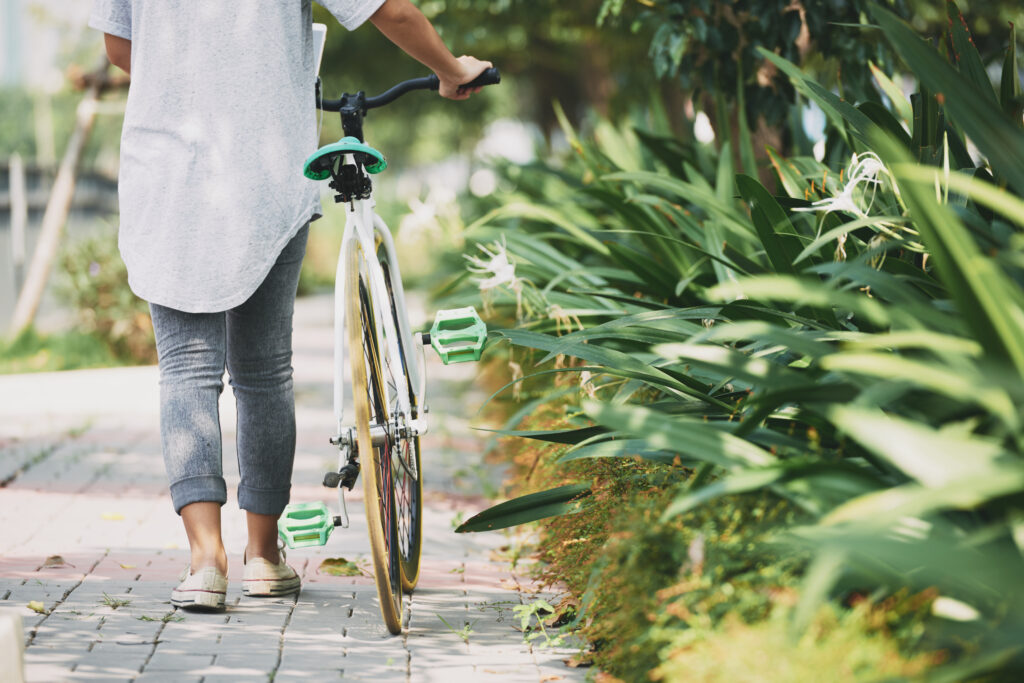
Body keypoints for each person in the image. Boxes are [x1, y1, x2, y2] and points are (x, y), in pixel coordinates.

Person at [88, 0, 491, 611]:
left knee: (186, 372)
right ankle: (265, 556)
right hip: (264, 167)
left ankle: (204, 564)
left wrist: (194, 81)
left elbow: (119, 48)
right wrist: (450, 67)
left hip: (166, 170)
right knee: (263, 371)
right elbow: (390, 11)